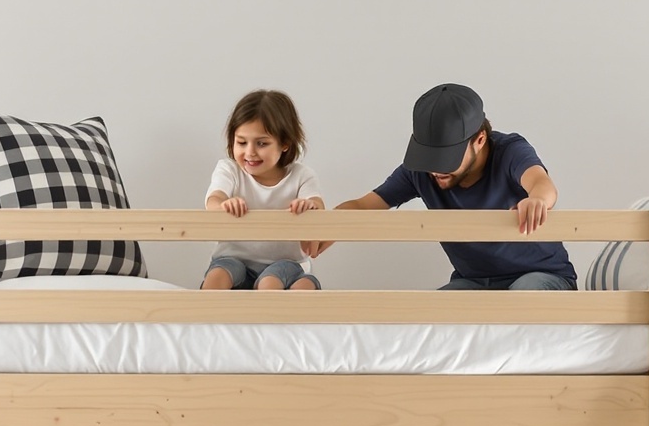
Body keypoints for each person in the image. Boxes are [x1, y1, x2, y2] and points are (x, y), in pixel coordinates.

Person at [330, 81, 575, 291]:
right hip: (474, 282)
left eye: (447, 160)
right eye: (430, 158)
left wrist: (537, 200)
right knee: (432, 316)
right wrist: (326, 225)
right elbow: (365, 204)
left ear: (479, 140)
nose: (436, 169)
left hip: (540, 276)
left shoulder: (510, 151)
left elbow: (541, 183)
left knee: (523, 297)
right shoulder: (421, 171)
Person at [202, 89, 325, 294]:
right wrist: (224, 205)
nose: (250, 152)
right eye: (241, 142)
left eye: (262, 143)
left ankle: (275, 314)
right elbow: (214, 200)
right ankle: (206, 316)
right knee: (218, 275)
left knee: (271, 282)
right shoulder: (229, 170)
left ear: (285, 143)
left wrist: (310, 207)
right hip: (232, 259)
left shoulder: (302, 176)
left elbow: (317, 206)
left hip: (284, 263)